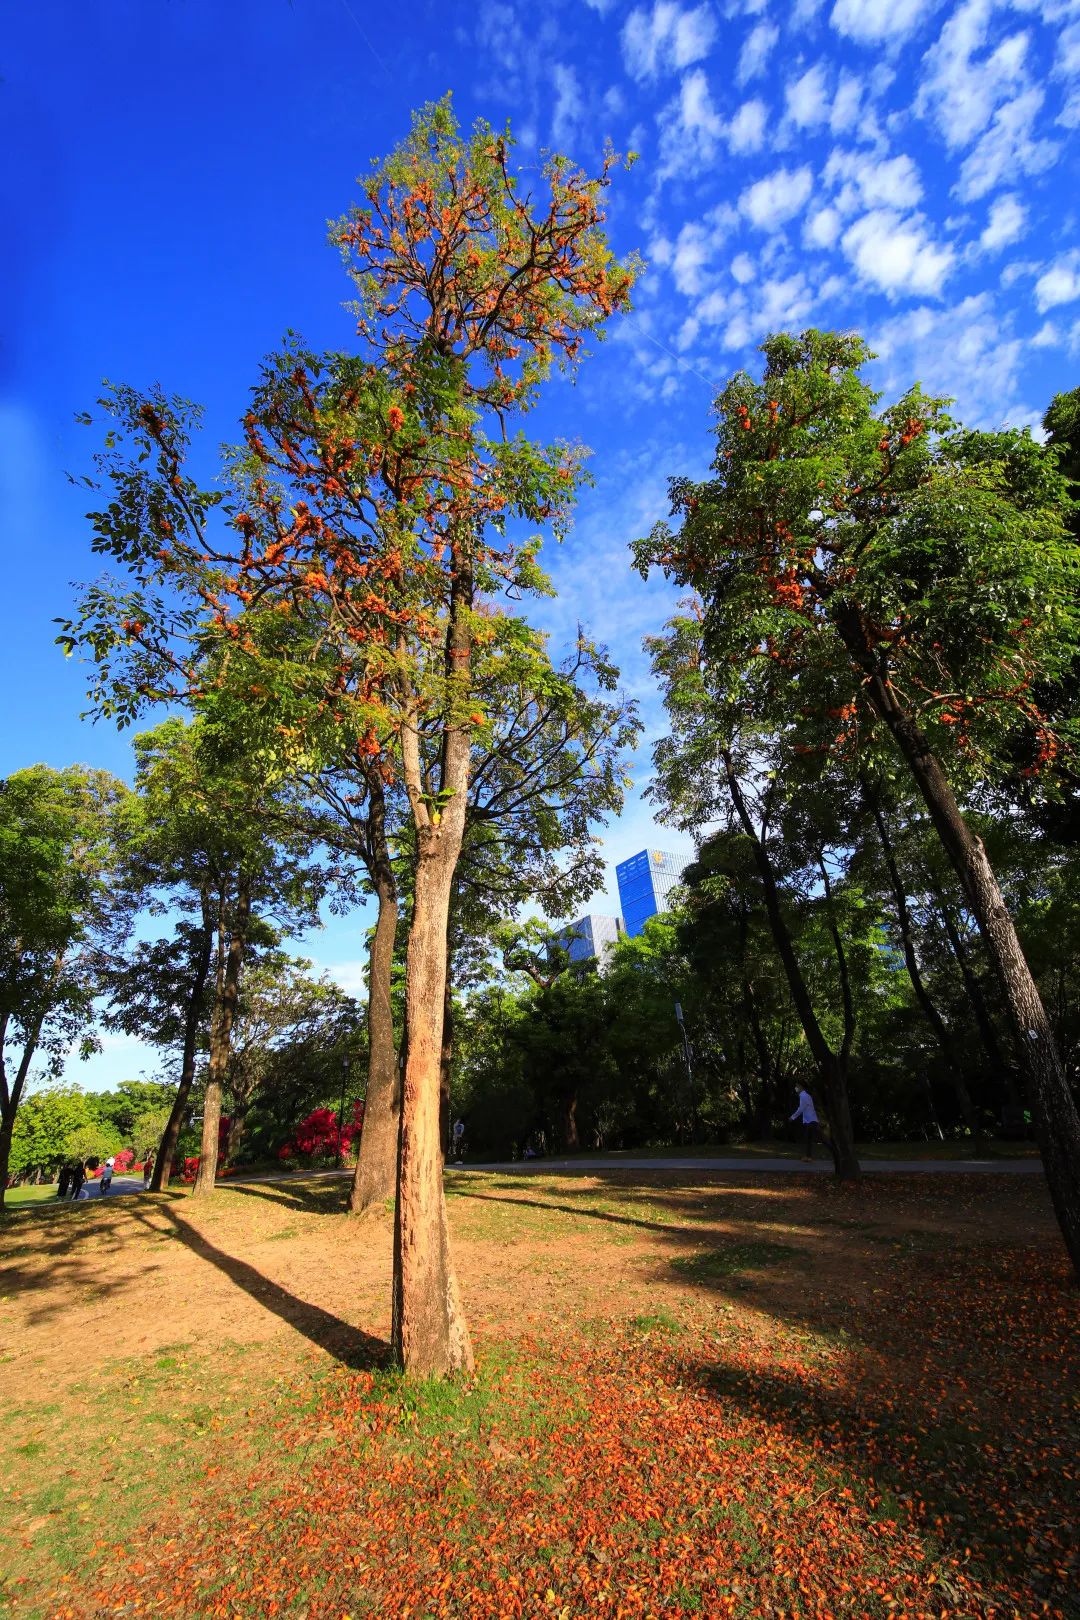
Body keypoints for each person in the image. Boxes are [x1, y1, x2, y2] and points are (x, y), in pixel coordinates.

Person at [790, 1088, 819, 1160]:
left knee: (808, 1138)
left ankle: (808, 1156)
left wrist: (792, 1117)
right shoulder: (807, 1096)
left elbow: (801, 1109)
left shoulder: (803, 1096)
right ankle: (809, 1156)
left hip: (810, 1121)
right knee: (809, 1139)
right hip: (812, 1120)